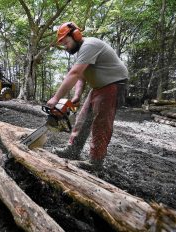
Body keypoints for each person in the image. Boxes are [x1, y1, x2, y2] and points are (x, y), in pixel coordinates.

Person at [47, 22, 128, 173]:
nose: (66, 47)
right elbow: (81, 77)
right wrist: (77, 95)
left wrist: (56, 98)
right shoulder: (82, 52)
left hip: (113, 85)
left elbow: (74, 73)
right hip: (98, 87)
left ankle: (95, 162)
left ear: (76, 35)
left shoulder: (90, 45)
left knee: (101, 124)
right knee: (83, 119)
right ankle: (73, 150)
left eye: (66, 43)